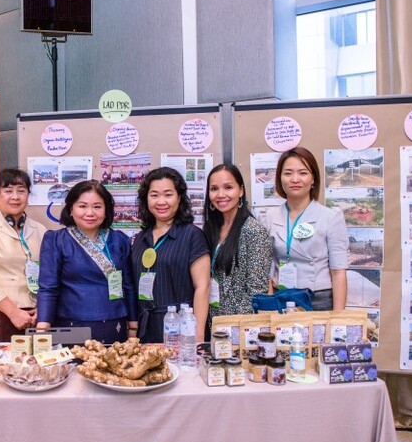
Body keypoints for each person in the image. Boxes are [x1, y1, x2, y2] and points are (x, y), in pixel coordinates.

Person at [36, 180, 137, 343]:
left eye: (97, 207)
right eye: (82, 206)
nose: (90, 213)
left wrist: (133, 326)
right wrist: (42, 327)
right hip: (70, 324)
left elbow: (128, 285)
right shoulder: (55, 240)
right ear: (71, 209)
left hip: (114, 325)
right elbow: (48, 288)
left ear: (106, 211)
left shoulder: (119, 240)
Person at [262, 147, 348, 310]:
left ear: (313, 178)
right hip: (281, 297)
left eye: (302, 173)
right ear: (280, 178)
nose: (295, 179)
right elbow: (267, 266)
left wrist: (339, 318)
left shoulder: (330, 217)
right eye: (288, 173)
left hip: (319, 300)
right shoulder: (269, 217)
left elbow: (338, 273)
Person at [131, 167, 210, 343]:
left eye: (168, 194)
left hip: (180, 328)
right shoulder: (139, 239)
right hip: (146, 328)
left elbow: (202, 288)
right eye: (154, 195)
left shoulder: (192, 235)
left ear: (179, 197)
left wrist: (197, 337)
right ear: (146, 199)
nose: (161, 201)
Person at [0, 169, 47, 342]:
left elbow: (49, 275)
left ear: (28, 195)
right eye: (8, 190)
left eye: (21, 190)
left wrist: (43, 307)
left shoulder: (40, 230)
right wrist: (13, 312)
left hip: (33, 315)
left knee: (33, 366)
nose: (15, 196)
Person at [202, 164, 271, 328]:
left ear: (240, 191)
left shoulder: (253, 231)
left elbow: (257, 291)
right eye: (214, 189)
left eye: (228, 187)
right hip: (213, 321)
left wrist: (235, 327)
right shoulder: (211, 228)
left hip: (238, 327)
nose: (220, 194)